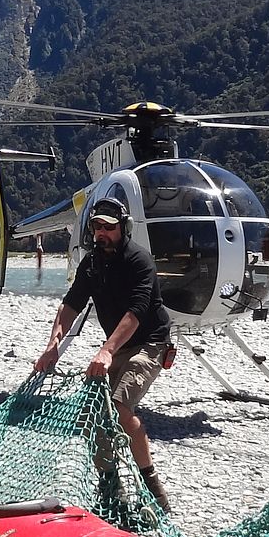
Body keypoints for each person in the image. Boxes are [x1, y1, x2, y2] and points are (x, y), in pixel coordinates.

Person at [34, 196, 175, 513]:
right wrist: (52, 346)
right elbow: (71, 304)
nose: (102, 233)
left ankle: (153, 490)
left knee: (119, 408)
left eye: (109, 228)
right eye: (97, 227)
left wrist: (106, 351)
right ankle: (112, 491)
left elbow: (136, 312)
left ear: (122, 229)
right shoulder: (92, 263)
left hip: (150, 341)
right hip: (119, 344)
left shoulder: (140, 262)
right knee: (94, 416)